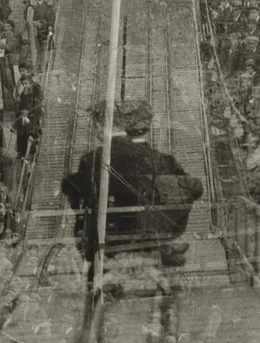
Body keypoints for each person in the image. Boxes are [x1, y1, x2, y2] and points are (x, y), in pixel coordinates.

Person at [61, 99, 202, 270]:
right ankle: (162, 249)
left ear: (100, 126)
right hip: (150, 238)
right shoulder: (159, 158)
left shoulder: (92, 159)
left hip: (107, 242)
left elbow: (77, 195)